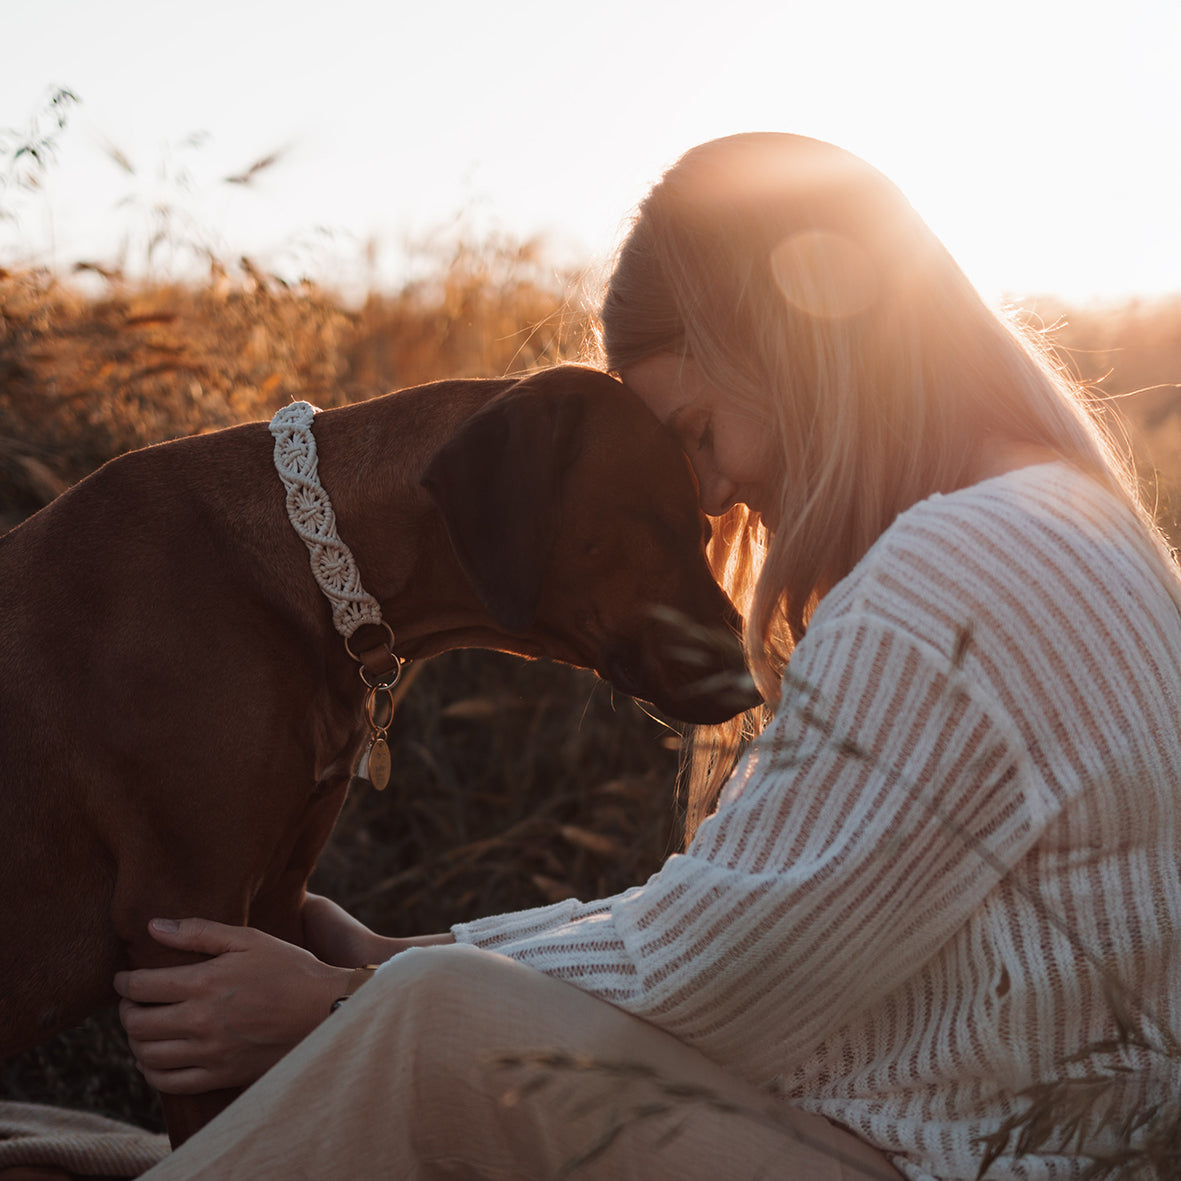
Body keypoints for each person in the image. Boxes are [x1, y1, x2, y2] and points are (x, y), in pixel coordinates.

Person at [115, 133, 1181, 1180]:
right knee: (428, 1002)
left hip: (951, 1160)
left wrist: (338, 1005)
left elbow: (723, 965)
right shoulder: (1061, 514)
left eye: (702, 431)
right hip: (998, 1141)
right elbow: (743, 910)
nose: (711, 497)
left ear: (786, 344)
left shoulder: (954, 568)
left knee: (428, 1030)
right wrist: (387, 955)